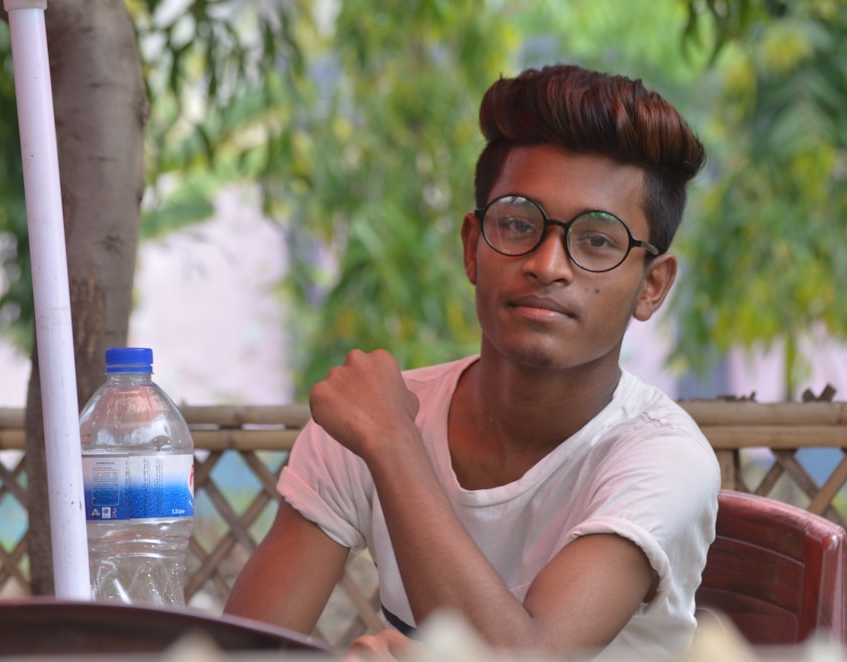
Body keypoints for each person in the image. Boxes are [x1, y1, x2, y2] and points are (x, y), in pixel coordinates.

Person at [225, 63, 720, 660]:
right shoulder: (376, 416)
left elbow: (526, 657)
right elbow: (239, 652)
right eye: (517, 224)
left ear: (651, 286)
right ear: (472, 247)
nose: (548, 264)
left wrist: (391, 442)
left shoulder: (662, 457)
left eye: (596, 239)